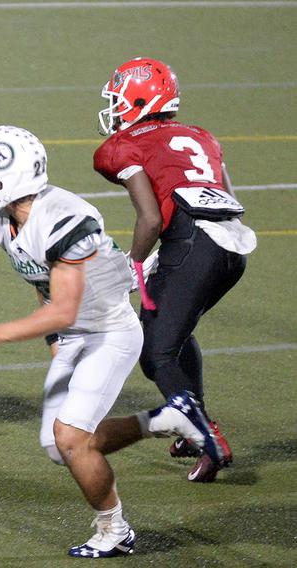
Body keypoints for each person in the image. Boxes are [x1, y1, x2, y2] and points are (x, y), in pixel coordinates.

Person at [0, 126, 226, 557]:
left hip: (108, 332)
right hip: (74, 330)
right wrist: (54, 343)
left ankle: (114, 530)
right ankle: (169, 419)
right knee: (60, 447)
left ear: (6, 180)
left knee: (71, 438)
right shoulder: (2, 216)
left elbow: (62, 308)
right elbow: (39, 279)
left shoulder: (65, 218)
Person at [94, 57, 257, 482]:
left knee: (156, 351)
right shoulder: (201, 136)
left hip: (192, 247)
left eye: (119, 100)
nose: (114, 109)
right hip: (231, 249)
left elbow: (149, 218)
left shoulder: (121, 146)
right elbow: (225, 199)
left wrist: (134, 264)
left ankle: (203, 434)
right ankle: (191, 429)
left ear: (140, 99)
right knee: (172, 329)